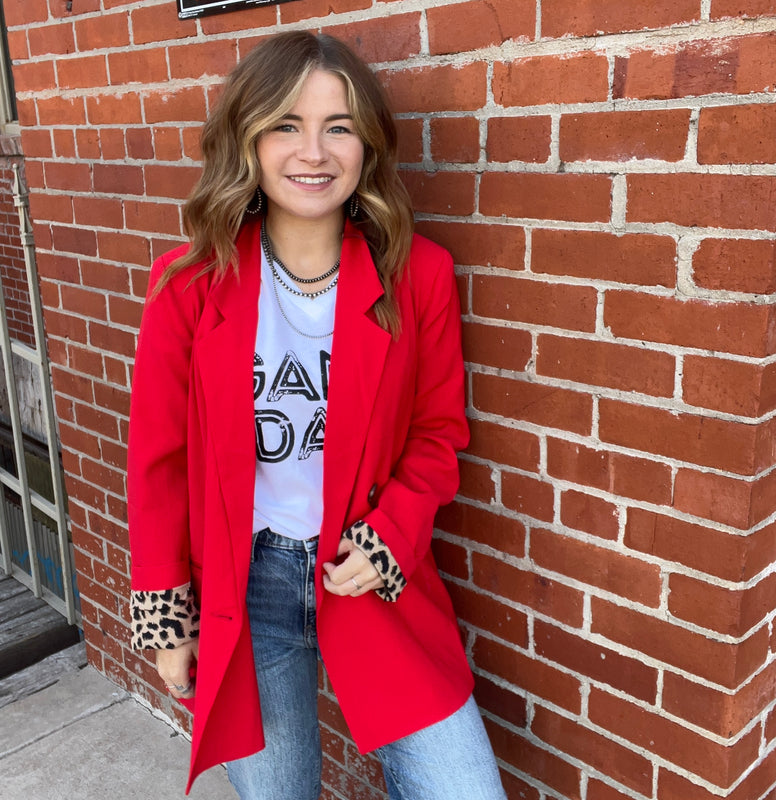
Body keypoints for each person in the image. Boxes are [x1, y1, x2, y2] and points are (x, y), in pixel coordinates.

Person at [126, 30, 507, 800]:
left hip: (368, 579)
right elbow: (157, 464)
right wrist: (169, 619)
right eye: (286, 125)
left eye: (338, 127)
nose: (314, 151)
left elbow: (439, 435)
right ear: (249, 139)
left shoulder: (419, 277)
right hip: (247, 591)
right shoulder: (187, 285)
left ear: (367, 146)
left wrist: (391, 535)